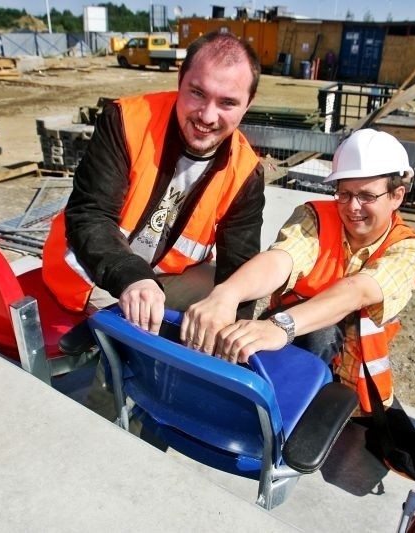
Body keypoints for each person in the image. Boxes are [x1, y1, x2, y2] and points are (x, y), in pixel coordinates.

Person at [181, 129, 415, 415]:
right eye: (344, 193)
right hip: (291, 363)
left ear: (397, 195)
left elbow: (359, 291)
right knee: (318, 337)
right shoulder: (315, 217)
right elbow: (281, 259)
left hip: (357, 389)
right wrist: (226, 294)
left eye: (366, 196)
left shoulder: (409, 249)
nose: (352, 207)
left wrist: (281, 326)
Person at [42, 31, 265, 336]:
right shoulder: (124, 121)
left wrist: (231, 333)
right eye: (197, 93)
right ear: (179, 81)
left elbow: (239, 265)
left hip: (160, 278)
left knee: (222, 304)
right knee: (128, 348)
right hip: (91, 276)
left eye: (228, 102)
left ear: (248, 104)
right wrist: (133, 278)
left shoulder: (246, 172)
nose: (208, 116)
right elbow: (90, 216)